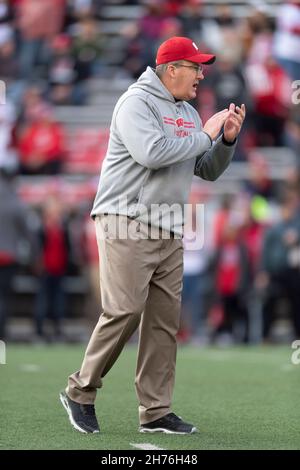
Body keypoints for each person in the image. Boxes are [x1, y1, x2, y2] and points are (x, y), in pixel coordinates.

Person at [60, 36, 246, 434]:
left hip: (169, 225)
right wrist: (206, 133)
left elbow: (206, 169)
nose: (201, 74)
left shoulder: (190, 113)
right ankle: (80, 390)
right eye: (195, 66)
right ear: (171, 69)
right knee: (125, 310)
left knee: (163, 322)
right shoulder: (135, 102)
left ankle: (155, 410)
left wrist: (226, 139)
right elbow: (152, 153)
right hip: (126, 218)